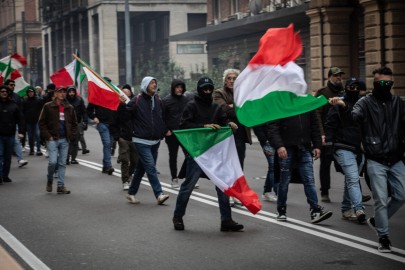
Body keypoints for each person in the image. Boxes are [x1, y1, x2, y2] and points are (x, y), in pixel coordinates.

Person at [172, 77, 244, 232]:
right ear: (199, 89)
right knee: (188, 186)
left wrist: (230, 126)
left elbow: (224, 124)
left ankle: (226, 220)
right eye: (204, 88)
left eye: (209, 88)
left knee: (222, 185)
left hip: (214, 153)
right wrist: (203, 127)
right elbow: (183, 125)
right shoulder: (191, 106)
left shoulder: (216, 107)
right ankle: (177, 217)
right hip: (197, 154)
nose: (207, 91)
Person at [352, 66, 405, 253]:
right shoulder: (364, 102)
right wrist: (347, 106)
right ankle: (383, 237)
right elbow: (355, 114)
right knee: (381, 200)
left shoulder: (399, 103)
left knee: (401, 195)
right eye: (381, 83)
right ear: (374, 83)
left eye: (389, 82)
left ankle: (376, 220)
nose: (385, 85)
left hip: (397, 158)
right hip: (376, 159)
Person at [269, 110, 333, 224]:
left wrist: (317, 145)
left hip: (304, 148)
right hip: (286, 149)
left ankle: (315, 210)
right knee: (284, 181)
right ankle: (281, 210)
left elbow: (314, 125)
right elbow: (273, 127)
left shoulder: (306, 101)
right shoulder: (281, 101)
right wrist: (279, 146)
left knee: (309, 180)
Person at [325, 78, 366, 223]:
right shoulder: (338, 105)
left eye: (356, 87)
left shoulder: (363, 104)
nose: (353, 89)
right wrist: (329, 148)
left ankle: (346, 209)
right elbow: (329, 126)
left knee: (351, 179)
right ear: (346, 87)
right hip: (343, 147)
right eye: (350, 86)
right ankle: (359, 208)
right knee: (354, 179)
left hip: (359, 148)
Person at [125, 76, 169, 205]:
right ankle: (159, 194)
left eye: (155, 82)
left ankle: (131, 193)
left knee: (141, 168)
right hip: (140, 139)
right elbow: (126, 116)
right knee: (151, 167)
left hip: (155, 140)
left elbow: (161, 118)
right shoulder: (136, 100)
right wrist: (123, 105)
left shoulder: (158, 100)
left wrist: (163, 131)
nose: (154, 85)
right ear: (145, 85)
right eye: (151, 83)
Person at [213, 68, 252, 206]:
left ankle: (236, 194)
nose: (231, 81)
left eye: (234, 78)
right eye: (229, 78)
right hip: (226, 134)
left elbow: (247, 109)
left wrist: (233, 107)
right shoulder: (219, 92)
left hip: (241, 134)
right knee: (228, 165)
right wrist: (237, 108)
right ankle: (228, 194)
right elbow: (223, 109)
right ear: (225, 80)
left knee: (238, 166)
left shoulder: (243, 93)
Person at [39, 86, 77, 194]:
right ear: (55, 93)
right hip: (52, 139)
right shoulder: (48, 106)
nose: (63, 93)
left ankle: (60, 186)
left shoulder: (69, 107)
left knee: (62, 163)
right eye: (60, 92)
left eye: (64, 92)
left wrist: (71, 135)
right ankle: (50, 179)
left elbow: (74, 123)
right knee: (52, 162)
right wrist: (48, 136)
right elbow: (41, 123)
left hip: (64, 139)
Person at [314, 67, 345, 202]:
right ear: (329, 77)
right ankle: (324, 192)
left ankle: (354, 192)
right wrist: (321, 133)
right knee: (325, 164)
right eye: (335, 75)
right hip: (327, 134)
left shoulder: (345, 92)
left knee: (349, 165)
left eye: (340, 76)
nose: (338, 78)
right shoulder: (322, 93)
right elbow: (317, 115)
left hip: (343, 134)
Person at [110, 85, 138, 190]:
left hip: (135, 137)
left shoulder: (135, 106)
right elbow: (113, 123)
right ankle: (125, 180)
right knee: (125, 160)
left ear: (130, 95)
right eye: (123, 94)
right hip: (123, 138)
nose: (125, 96)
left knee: (135, 160)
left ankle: (130, 174)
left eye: (127, 94)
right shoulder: (116, 108)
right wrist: (117, 137)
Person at [162, 79, 189, 188]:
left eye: (181, 87)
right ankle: (174, 178)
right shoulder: (166, 100)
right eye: (177, 87)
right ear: (173, 88)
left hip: (184, 133)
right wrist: (166, 130)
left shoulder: (186, 100)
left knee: (189, 155)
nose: (179, 89)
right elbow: (162, 117)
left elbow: (190, 114)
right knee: (173, 156)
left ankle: (189, 177)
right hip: (172, 133)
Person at [87, 78, 115, 175]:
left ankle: (105, 165)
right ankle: (109, 166)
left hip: (112, 124)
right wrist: (94, 117)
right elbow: (89, 110)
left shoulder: (113, 94)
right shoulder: (96, 96)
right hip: (102, 123)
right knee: (107, 144)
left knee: (110, 144)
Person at [0, 85, 25, 184]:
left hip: (10, 134)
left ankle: (5, 175)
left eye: (5, 91)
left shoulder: (13, 105)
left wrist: (21, 132)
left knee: (7, 157)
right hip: (0, 135)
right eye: (2, 91)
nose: (4, 93)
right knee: (0, 155)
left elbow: (20, 119)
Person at [5, 79, 28, 167]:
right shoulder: (2, 96)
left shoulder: (16, 96)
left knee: (16, 141)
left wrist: (21, 125)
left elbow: (20, 111)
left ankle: (20, 159)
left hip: (13, 123)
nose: (13, 86)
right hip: (2, 125)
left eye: (14, 85)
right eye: (11, 85)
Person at [252, 124, 278, 202]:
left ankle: (267, 191)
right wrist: (263, 139)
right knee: (273, 165)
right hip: (267, 140)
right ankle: (278, 193)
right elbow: (256, 122)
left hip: (276, 138)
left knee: (273, 166)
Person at [66, 85, 88, 164]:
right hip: (67, 123)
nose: (71, 93)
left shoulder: (79, 100)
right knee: (68, 141)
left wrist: (85, 122)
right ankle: (67, 157)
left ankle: (73, 158)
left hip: (77, 123)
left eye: (73, 92)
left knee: (75, 141)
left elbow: (84, 112)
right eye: (70, 92)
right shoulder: (64, 101)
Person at [22, 86, 44, 156]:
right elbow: (23, 111)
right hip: (28, 121)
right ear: (27, 93)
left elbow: (42, 109)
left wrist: (40, 118)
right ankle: (31, 150)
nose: (30, 93)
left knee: (37, 135)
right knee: (30, 136)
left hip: (36, 120)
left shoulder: (38, 100)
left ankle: (38, 150)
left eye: (31, 92)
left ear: (33, 92)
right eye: (29, 92)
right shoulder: (25, 101)